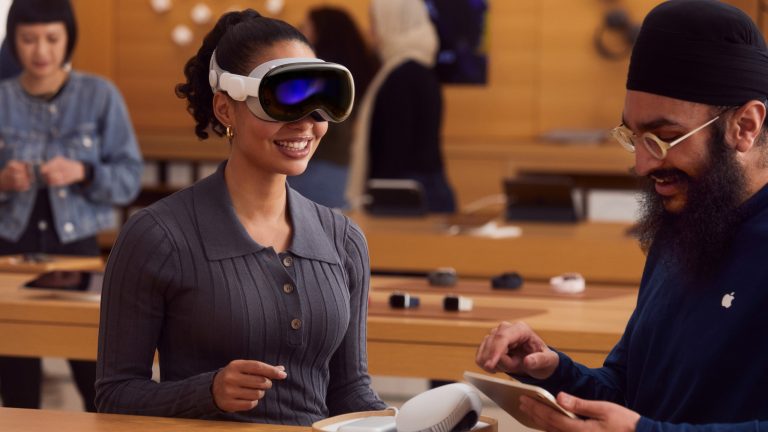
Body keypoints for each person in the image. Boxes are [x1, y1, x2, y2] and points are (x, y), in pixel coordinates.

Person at [475, 1, 768, 430]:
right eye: (634, 137)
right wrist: (551, 369)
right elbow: (629, 390)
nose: (643, 165)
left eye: (664, 138)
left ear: (745, 126)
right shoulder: (684, 225)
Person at [95, 9, 386, 425]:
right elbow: (115, 395)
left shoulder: (344, 239)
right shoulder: (156, 236)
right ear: (225, 109)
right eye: (285, 98)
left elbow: (349, 390)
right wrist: (208, 392)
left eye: (321, 101)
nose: (307, 123)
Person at [0, 0, 142, 412]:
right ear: (13, 41)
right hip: (10, 254)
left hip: (77, 254)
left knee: (96, 379)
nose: (40, 50)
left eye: (51, 38)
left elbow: (129, 180)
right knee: (17, 385)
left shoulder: (100, 95)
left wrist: (84, 171)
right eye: (28, 39)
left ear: (68, 40)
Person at [346, 0, 457, 213]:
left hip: (406, 200)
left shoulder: (403, 75)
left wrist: (378, 200)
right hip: (422, 193)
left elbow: (395, 149)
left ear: (393, 23)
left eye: (375, 23)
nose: (370, 32)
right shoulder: (417, 68)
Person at [290, 6, 379, 209]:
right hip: (344, 170)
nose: (299, 33)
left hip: (314, 167)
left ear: (322, 33)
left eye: (305, 27)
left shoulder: (320, 76)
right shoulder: (357, 72)